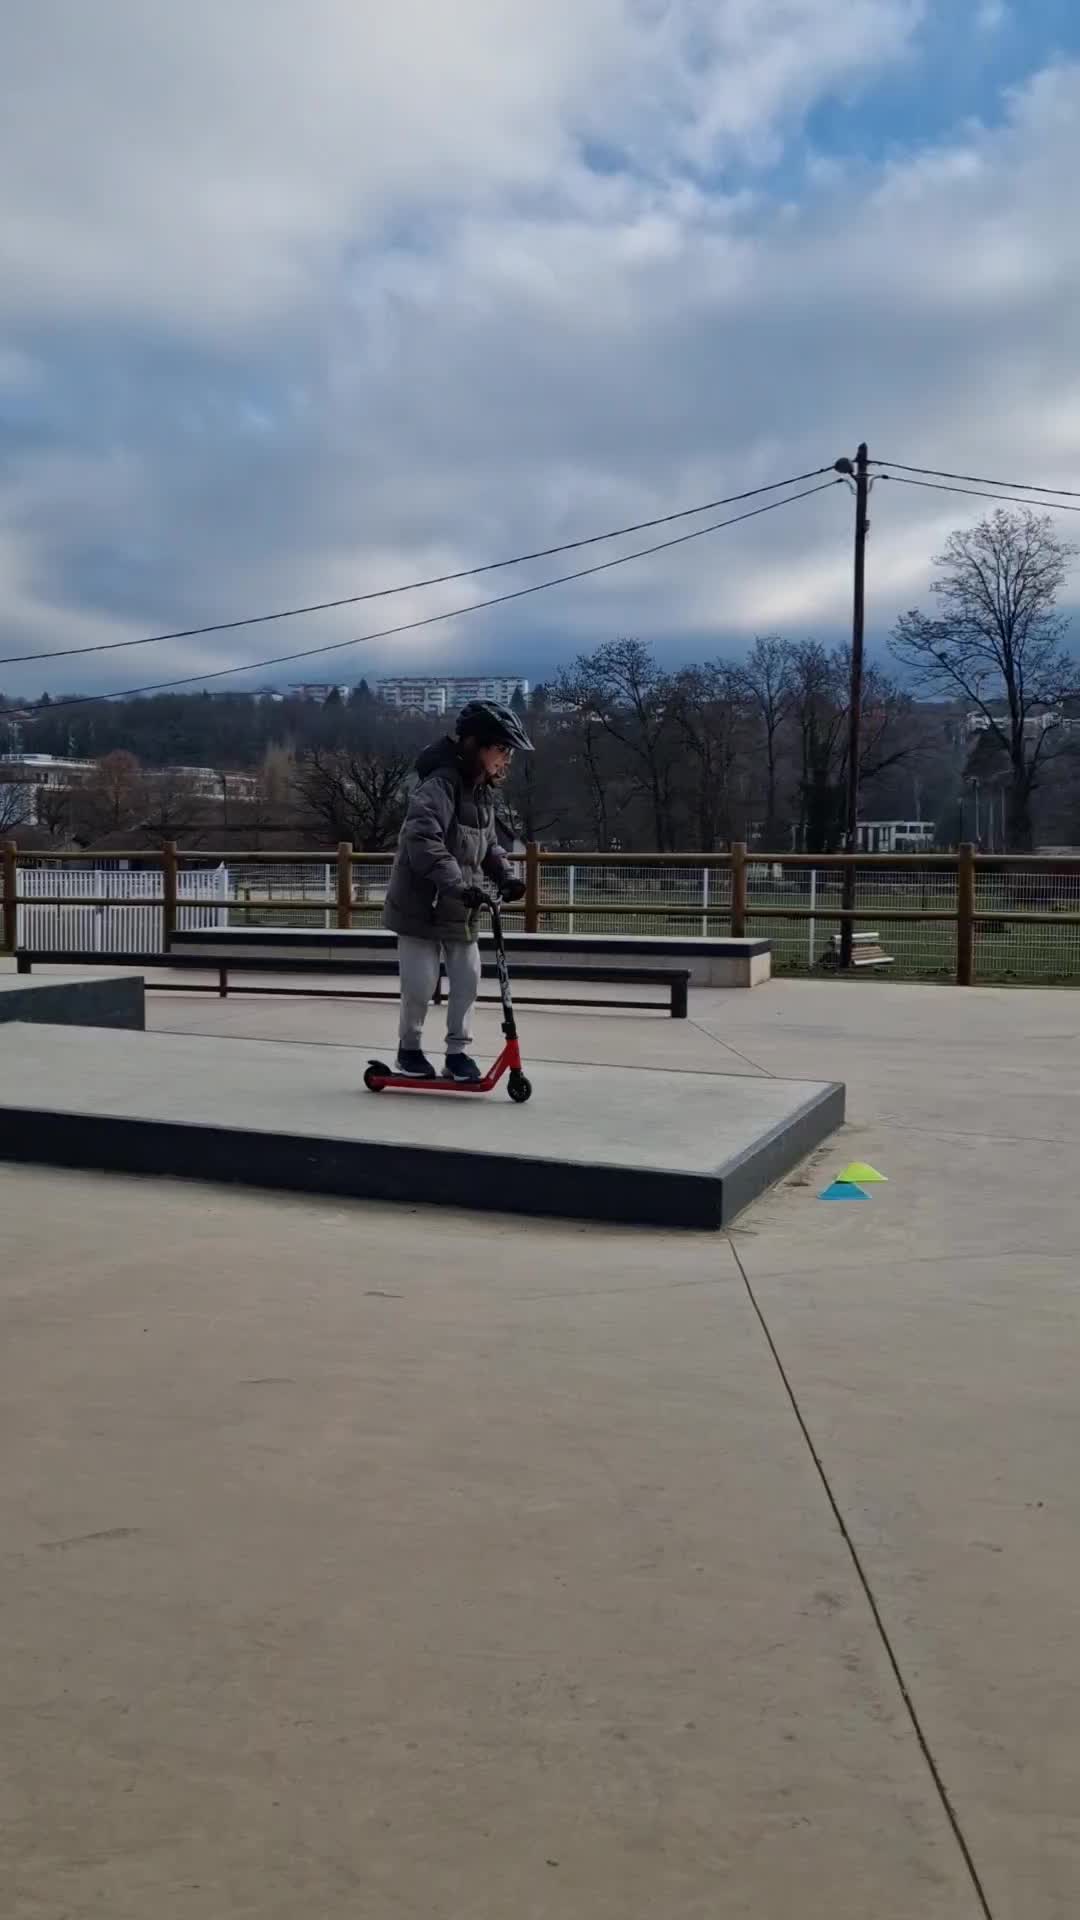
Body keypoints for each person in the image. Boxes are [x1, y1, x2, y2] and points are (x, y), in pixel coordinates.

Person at [382, 700, 532, 1080]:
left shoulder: (481, 793)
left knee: (467, 978)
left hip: (462, 905)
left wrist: (505, 876)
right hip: (422, 904)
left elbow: (487, 845)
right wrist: (457, 884)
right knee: (420, 983)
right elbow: (423, 840)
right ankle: (409, 1050)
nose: (506, 759)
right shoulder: (439, 785)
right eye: (502, 748)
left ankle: (457, 1053)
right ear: (474, 744)